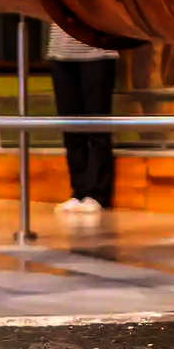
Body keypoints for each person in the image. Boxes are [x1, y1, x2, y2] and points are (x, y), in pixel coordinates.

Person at [46, 23, 118, 214]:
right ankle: (78, 191)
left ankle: (97, 194)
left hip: (98, 52)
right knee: (71, 129)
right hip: (60, 53)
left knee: (97, 127)